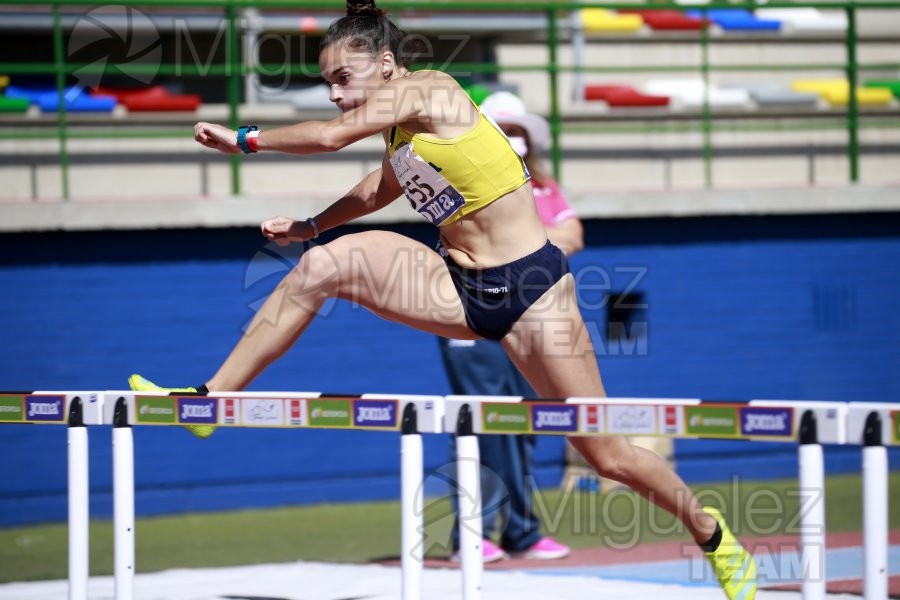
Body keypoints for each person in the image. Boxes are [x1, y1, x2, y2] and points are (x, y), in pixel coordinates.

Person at [129, 2, 756, 597]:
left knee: (610, 454)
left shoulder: (430, 89)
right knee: (322, 265)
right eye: (328, 85)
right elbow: (377, 189)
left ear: (384, 62)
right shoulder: (402, 132)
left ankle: (713, 535)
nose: (337, 94)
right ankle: (210, 401)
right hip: (458, 288)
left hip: (534, 292)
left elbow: (329, 136)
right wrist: (309, 228)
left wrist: (245, 139)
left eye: (343, 78)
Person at [441, 91, 579, 563]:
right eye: (504, 128)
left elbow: (573, 236)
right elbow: (478, 245)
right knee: (481, 424)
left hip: (531, 316)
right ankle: (469, 536)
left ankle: (521, 531)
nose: (512, 138)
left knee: (524, 424)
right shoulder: (462, 177)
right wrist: (529, 245)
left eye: (518, 130)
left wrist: (519, 245)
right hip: (472, 316)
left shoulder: (542, 185)